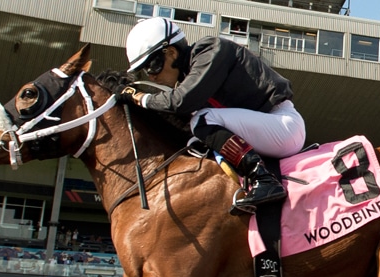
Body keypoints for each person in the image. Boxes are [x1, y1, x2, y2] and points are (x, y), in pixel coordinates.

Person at [120, 17, 306, 212]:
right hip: (269, 129)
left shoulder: (209, 50)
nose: (151, 76)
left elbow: (181, 101)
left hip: (283, 124)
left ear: (171, 53)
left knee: (201, 118)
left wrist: (140, 98)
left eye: (152, 66)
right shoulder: (192, 75)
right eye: (145, 71)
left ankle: (264, 179)